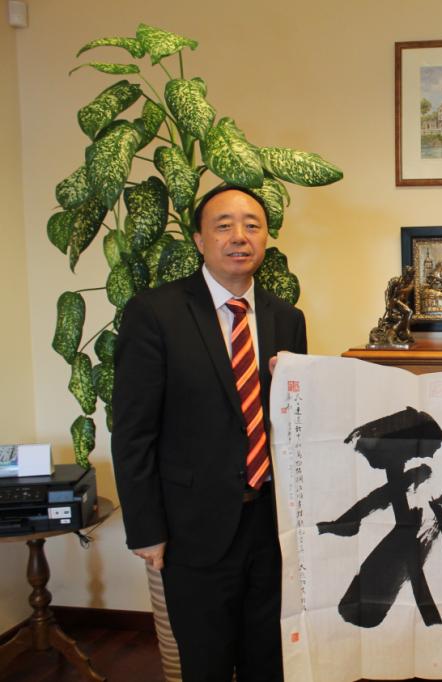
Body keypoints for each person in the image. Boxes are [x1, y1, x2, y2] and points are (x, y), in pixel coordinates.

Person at [112, 186, 307, 682]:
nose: (239, 236)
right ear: (199, 240)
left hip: (271, 526)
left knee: (271, 662)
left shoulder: (287, 318)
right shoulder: (154, 313)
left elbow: (296, 421)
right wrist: (147, 530)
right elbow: (133, 432)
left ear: (266, 237)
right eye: (223, 226)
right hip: (192, 529)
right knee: (206, 665)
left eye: (252, 225)